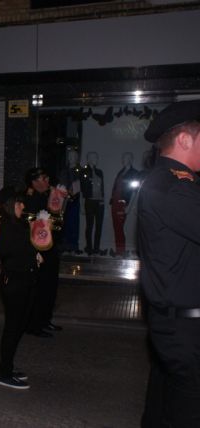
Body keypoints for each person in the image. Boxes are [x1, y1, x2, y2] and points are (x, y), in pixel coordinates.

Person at [139, 100, 200, 428]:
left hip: (175, 322)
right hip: (184, 327)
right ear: (185, 140)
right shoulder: (172, 186)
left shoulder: (172, 183)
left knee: (163, 408)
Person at [0, 188, 42, 390]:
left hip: (25, 280)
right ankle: (4, 373)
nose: (23, 206)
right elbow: (9, 252)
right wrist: (32, 253)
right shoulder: (4, 226)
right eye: (19, 203)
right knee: (12, 328)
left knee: (18, 326)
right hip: (14, 282)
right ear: (9, 204)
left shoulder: (19, 224)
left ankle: (6, 367)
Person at [24, 167, 62, 338]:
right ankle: (34, 324)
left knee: (50, 287)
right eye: (43, 178)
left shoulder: (47, 195)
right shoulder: (29, 199)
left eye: (47, 178)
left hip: (51, 248)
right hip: (38, 250)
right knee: (40, 288)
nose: (47, 181)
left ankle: (45, 320)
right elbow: (30, 226)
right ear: (34, 182)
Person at [109, 152, 139, 257]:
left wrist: (129, 207)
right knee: (116, 227)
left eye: (125, 158)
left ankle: (121, 251)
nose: (123, 159)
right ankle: (119, 250)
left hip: (123, 203)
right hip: (115, 202)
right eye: (122, 157)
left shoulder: (134, 173)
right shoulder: (121, 172)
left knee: (119, 227)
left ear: (130, 159)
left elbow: (135, 191)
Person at [80, 152, 105, 255]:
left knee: (99, 226)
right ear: (89, 159)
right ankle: (89, 247)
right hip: (89, 201)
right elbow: (81, 189)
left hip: (99, 202)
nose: (96, 159)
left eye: (96, 157)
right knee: (89, 225)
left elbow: (102, 187)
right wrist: (82, 205)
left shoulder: (100, 172)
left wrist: (103, 200)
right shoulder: (84, 172)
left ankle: (96, 248)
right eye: (94, 157)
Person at [58, 148, 82, 254]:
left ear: (77, 158)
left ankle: (73, 245)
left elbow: (80, 185)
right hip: (64, 200)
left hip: (74, 200)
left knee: (74, 223)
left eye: (73, 156)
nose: (71, 158)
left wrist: (73, 192)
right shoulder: (64, 171)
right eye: (70, 156)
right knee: (64, 222)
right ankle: (64, 245)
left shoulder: (79, 171)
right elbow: (61, 184)